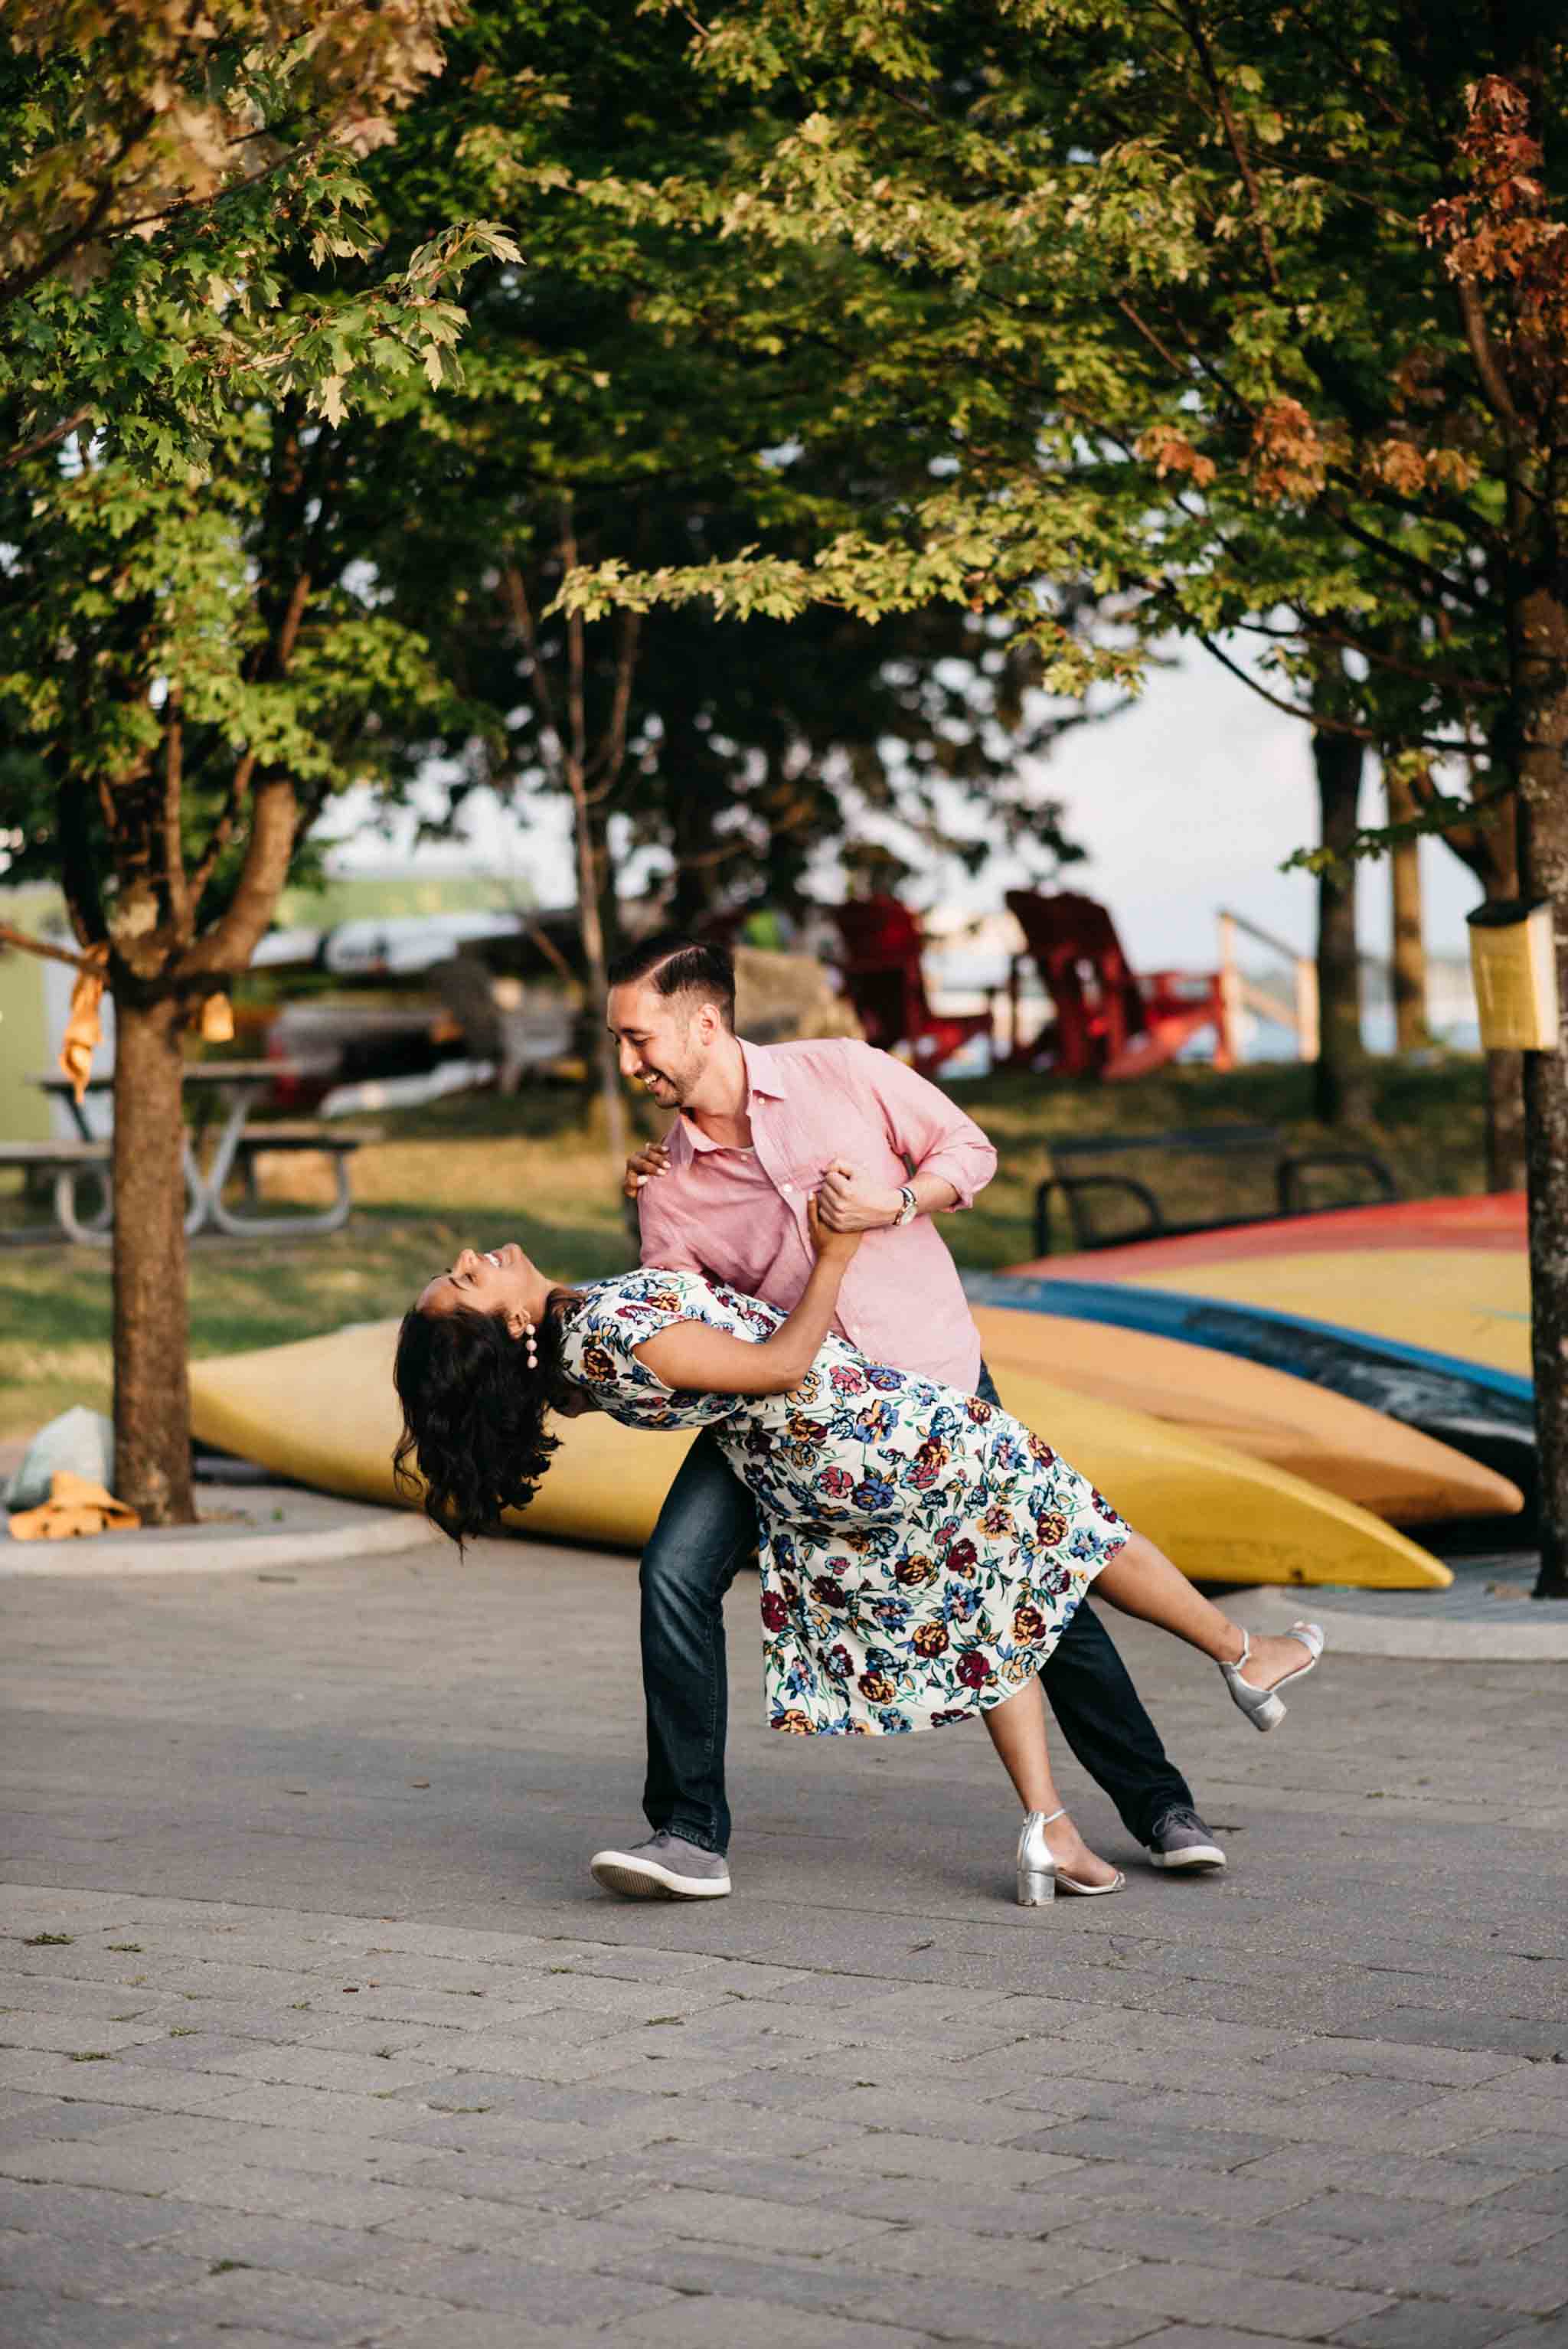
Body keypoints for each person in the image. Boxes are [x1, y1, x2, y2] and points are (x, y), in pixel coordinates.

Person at [392, 1223, 1325, 1907]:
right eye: (461, 1283)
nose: (469, 1258)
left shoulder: (577, 1350)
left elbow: (696, 1330)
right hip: (880, 1433)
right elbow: (780, 1366)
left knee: (983, 1610)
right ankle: (1241, 1650)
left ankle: (1051, 1827)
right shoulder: (606, 1332)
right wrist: (831, 1246)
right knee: (1082, 1532)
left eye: (453, 1267)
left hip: (834, 1464)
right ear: (502, 1326)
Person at [594, 934, 1227, 1900]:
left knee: (1038, 1581)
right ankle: (687, 1832)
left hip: (930, 1378)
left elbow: (966, 1151)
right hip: (789, 1422)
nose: (628, 1062)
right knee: (673, 1571)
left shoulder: (837, 1072)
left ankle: (1157, 1805)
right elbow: (692, 1320)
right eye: (620, 1044)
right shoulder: (668, 1185)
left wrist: (892, 1204)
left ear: (705, 1022)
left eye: (638, 1039)